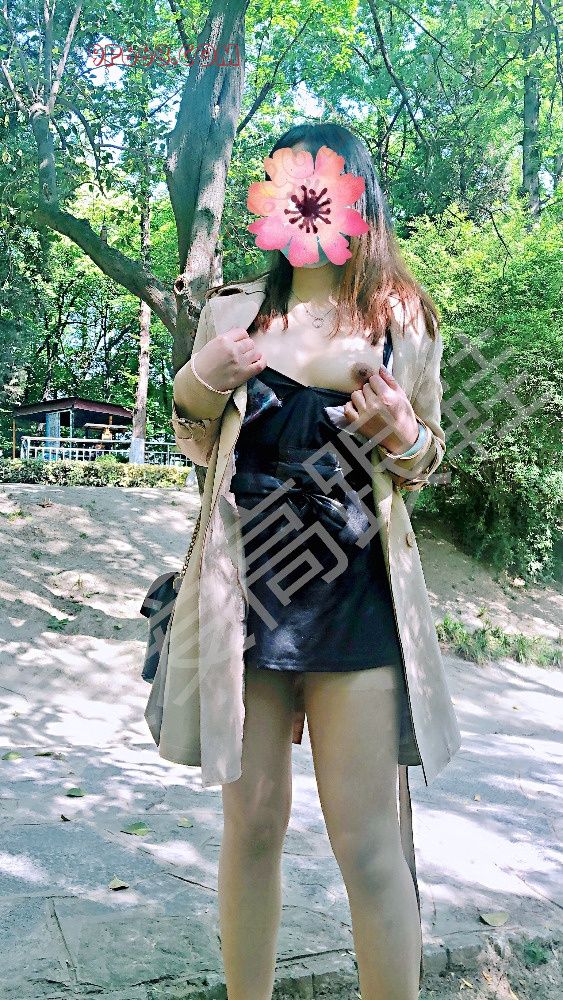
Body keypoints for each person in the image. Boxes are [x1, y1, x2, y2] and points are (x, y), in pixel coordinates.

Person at [148, 122, 462, 1000]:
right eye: (288, 186)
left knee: (366, 845)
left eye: (322, 186)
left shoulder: (402, 321)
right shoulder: (231, 312)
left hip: (356, 600)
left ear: (355, 198)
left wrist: (404, 433)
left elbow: (428, 459)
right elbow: (195, 442)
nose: (306, 203)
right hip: (242, 597)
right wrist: (201, 378)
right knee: (251, 826)